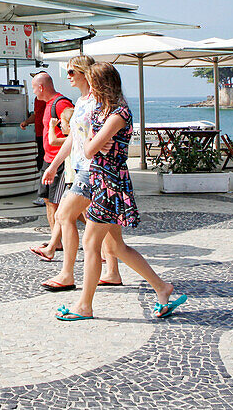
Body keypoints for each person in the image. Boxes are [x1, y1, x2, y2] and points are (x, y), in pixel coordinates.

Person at [54, 62, 187, 321]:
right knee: (116, 247)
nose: (89, 87)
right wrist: (97, 142)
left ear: (101, 84)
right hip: (101, 178)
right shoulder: (105, 112)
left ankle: (84, 306)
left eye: (92, 82)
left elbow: (90, 148)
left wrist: (96, 142)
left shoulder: (118, 114)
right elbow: (90, 142)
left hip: (109, 183)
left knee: (92, 244)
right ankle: (162, 287)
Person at [36, 56, 121, 287]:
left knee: (65, 215)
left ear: (85, 73)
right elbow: (73, 138)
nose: (68, 76)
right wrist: (54, 166)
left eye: (72, 72)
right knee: (107, 227)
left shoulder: (97, 101)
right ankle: (112, 272)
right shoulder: (81, 101)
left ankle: (67, 274)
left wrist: (102, 141)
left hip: (93, 168)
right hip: (83, 167)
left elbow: (105, 130)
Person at [29, 72, 75, 254]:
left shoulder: (60, 103)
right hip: (48, 160)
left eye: (34, 87)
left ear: (41, 87)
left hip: (58, 162)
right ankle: (55, 241)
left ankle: (99, 237)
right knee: (49, 201)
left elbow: (73, 135)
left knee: (62, 205)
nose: (34, 92)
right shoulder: (48, 104)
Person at [20, 88, 48, 207]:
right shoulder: (38, 99)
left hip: (45, 135)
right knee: (41, 162)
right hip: (39, 134)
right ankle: (44, 193)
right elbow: (36, 115)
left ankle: (45, 195)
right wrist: (27, 122)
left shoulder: (46, 99)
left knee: (44, 164)